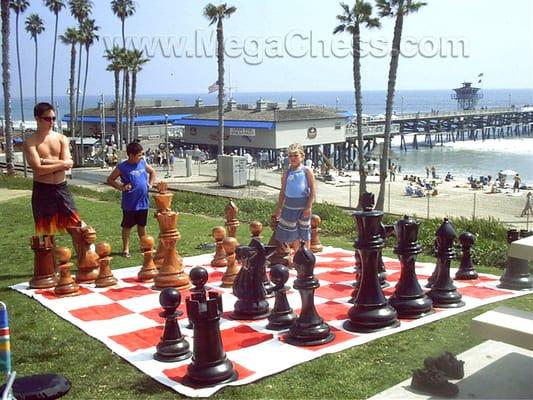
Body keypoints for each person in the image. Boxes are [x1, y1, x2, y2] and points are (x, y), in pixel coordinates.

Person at [23, 102, 82, 236]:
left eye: (53, 118)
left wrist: (46, 161)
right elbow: (38, 170)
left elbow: (69, 164)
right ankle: (50, 258)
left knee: (76, 227)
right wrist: (61, 164)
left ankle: (83, 257)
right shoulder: (31, 142)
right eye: (47, 119)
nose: (51, 122)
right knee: (47, 233)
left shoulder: (61, 138)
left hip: (62, 187)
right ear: (37, 119)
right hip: (43, 189)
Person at [107, 142, 156, 257]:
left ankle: (144, 246)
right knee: (127, 226)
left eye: (142, 154)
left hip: (143, 202)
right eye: (139, 155)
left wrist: (151, 184)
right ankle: (125, 249)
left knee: (142, 226)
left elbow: (152, 172)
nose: (141, 157)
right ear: (131, 155)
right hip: (130, 203)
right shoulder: (122, 167)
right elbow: (110, 179)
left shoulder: (143, 163)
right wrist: (121, 187)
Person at [273, 143, 316, 256]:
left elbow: (312, 190)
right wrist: (279, 208)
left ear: (302, 156)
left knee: (305, 231)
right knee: (293, 234)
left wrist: (308, 206)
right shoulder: (286, 173)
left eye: (295, 155)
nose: (293, 158)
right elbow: (282, 191)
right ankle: (297, 256)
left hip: (303, 205)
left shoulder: (307, 171)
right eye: (290, 156)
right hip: (289, 206)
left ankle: (307, 256)